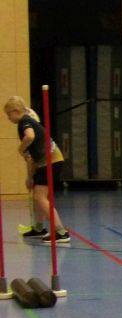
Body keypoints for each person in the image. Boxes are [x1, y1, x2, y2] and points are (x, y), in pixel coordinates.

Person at [4, 96, 70, 243]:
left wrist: (20, 148)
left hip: (51, 161)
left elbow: (30, 136)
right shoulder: (27, 120)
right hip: (46, 162)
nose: (8, 118)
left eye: (9, 114)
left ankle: (61, 232)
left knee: (40, 197)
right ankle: (39, 228)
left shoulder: (24, 121)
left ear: (15, 111)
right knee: (38, 196)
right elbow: (31, 158)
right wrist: (30, 177)